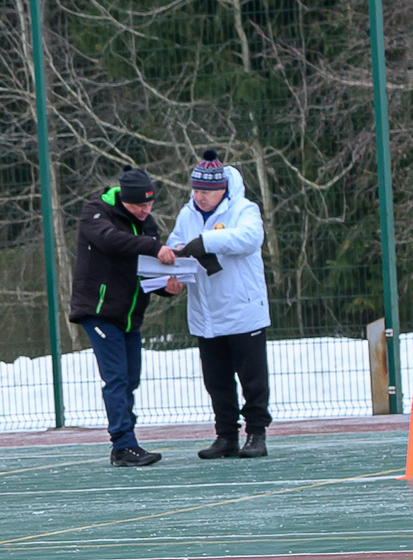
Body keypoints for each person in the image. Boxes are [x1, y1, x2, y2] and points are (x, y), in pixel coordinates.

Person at [163, 149, 273, 459]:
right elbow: (176, 245)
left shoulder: (244, 209)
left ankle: (256, 434)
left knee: (252, 380)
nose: (200, 197)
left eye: (206, 191)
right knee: (217, 381)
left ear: (222, 188)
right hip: (206, 314)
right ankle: (226, 435)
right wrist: (172, 272)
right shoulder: (187, 214)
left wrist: (205, 242)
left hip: (243, 312)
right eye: (196, 190)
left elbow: (250, 238)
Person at [70, 166, 168, 466]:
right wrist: (155, 247)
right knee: (116, 379)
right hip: (99, 312)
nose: (145, 210)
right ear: (125, 199)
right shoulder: (95, 213)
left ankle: (124, 442)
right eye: (140, 205)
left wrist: (169, 286)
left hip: (129, 315)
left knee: (130, 379)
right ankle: (124, 444)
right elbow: (111, 241)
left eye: (150, 205)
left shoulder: (147, 224)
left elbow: (149, 271)